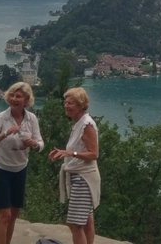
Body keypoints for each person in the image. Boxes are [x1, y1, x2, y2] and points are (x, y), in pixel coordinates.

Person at [0, 81, 44, 244]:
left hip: (20, 170)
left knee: (14, 214)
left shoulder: (31, 119)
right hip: (1, 170)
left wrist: (35, 145)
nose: (15, 99)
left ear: (26, 100)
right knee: (5, 215)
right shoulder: (2, 118)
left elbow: (41, 144)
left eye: (19, 96)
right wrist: (4, 134)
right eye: (12, 95)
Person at [48, 87, 101, 244]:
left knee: (75, 224)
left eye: (70, 103)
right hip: (80, 177)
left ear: (80, 105)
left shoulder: (87, 125)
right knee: (86, 221)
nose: (66, 105)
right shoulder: (79, 123)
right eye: (65, 102)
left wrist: (72, 154)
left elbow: (94, 154)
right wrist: (64, 154)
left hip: (84, 179)